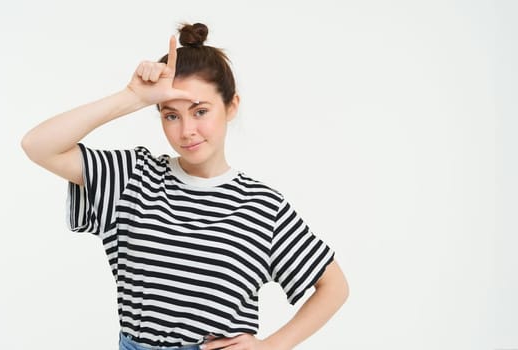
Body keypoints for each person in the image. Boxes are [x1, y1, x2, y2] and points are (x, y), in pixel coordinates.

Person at [21, 22, 348, 350]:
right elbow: (39, 145)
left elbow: (334, 286)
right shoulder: (133, 177)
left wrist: (270, 346)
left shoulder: (262, 206)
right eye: (171, 115)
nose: (186, 130)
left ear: (231, 106)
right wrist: (132, 97)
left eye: (200, 111)